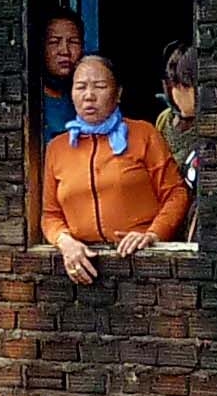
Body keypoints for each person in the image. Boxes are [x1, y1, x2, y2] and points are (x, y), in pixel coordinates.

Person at [41, 52, 191, 285]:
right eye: (80, 87)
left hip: (144, 265)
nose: (89, 96)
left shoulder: (144, 134)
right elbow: (50, 215)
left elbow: (176, 193)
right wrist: (65, 242)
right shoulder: (57, 148)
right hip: (83, 269)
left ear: (118, 93)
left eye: (99, 86)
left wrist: (153, 235)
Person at [154, 40, 217, 198]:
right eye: (174, 86)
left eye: (185, 86)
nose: (177, 94)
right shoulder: (165, 120)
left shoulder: (216, 127)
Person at [32, 9, 86, 140]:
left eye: (73, 42)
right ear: (41, 48)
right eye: (54, 42)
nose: (64, 51)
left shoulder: (88, 100)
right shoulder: (31, 102)